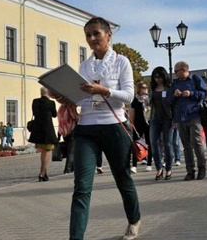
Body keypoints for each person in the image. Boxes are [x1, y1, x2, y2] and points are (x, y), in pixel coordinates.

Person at [52, 17, 140, 239]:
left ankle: (134, 219)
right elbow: (82, 100)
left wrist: (103, 90)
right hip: (86, 129)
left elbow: (129, 96)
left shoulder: (122, 62)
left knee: (122, 179)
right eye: (88, 35)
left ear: (108, 35)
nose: (91, 39)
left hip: (114, 127)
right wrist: (65, 97)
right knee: (81, 187)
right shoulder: (85, 65)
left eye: (96, 34)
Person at [168, 61, 207, 181]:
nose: (175, 73)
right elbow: (168, 100)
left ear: (184, 70)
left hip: (194, 116)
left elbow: (204, 94)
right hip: (180, 118)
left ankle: (202, 168)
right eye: (174, 71)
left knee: (197, 143)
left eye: (177, 71)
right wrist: (174, 95)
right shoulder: (174, 83)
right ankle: (190, 171)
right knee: (186, 146)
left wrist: (191, 93)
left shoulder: (194, 79)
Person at [149, 66, 174, 180]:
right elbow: (150, 106)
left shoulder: (169, 88)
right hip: (155, 119)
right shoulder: (153, 90)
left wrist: (175, 120)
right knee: (154, 143)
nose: (157, 79)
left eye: (159, 77)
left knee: (167, 144)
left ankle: (168, 168)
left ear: (164, 77)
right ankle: (159, 168)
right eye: (155, 77)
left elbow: (174, 105)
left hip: (167, 119)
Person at [30, 88, 58, 181]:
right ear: (48, 93)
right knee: (48, 151)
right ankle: (42, 173)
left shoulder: (35, 101)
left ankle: (45, 174)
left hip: (38, 130)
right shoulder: (51, 103)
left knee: (43, 152)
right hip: (48, 130)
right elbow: (54, 114)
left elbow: (34, 113)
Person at [130, 83, 152, 173]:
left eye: (146, 88)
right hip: (137, 124)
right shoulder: (135, 100)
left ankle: (149, 163)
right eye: (143, 88)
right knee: (135, 144)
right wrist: (132, 124)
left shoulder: (149, 99)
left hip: (148, 124)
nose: (145, 89)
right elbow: (132, 113)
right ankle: (134, 165)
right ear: (139, 89)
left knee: (149, 143)